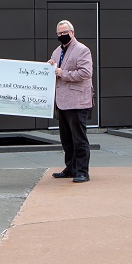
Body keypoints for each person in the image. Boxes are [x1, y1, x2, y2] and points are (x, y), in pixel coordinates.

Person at [49, 20, 94, 183]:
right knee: (66, 138)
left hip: (77, 101)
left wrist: (63, 73)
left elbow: (85, 73)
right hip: (61, 101)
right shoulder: (56, 52)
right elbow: (54, 71)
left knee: (79, 138)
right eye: (59, 33)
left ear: (72, 32)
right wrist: (49, 68)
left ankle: (83, 171)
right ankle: (71, 167)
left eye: (64, 32)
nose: (62, 35)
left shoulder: (82, 50)